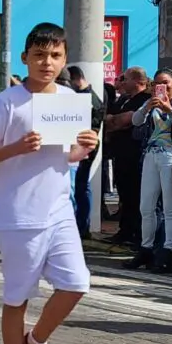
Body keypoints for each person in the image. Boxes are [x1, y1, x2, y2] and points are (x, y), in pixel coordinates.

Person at [0, 22, 98, 344]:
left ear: (64, 60)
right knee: (17, 299)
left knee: (77, 283)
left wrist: (86, 146)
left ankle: (36, 343)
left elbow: (69, 157)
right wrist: (16, 148)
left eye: (56, 56)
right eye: (40, 55)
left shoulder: (69, 99)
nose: (48, 63)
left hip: (59, 210)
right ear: (26, 57)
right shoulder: (8, 101)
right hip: (18, 215)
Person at [126, 68, 172, 274]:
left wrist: (169, 109)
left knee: (170, 207)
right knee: (146, 205)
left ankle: (168, 251)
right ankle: (146, 249)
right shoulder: (151, 100)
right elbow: (135, 121)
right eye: (157, 82)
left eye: (166, 82)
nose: (162, 86)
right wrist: (147, 106)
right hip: (151, 153)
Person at [102, 67, 150, 245]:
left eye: (126, 78)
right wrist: (113, 121)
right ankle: (124, 231)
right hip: (119, 154)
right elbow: (111, 120)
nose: (121, 82)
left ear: (138, 81)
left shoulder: (144, 100)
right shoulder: (123, 99)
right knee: (123, 194)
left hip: (135, 155)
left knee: (134, 195)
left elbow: (123, 121)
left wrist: (114, 121)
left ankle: (136, 233)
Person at [67, 66, 105, 239]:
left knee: (81, 185)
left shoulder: (90, 99)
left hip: (85, 144)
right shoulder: (86, 96)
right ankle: (81, 224)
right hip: (78, 143)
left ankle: (83, 225)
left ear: (75, 79)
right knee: (80, 185)